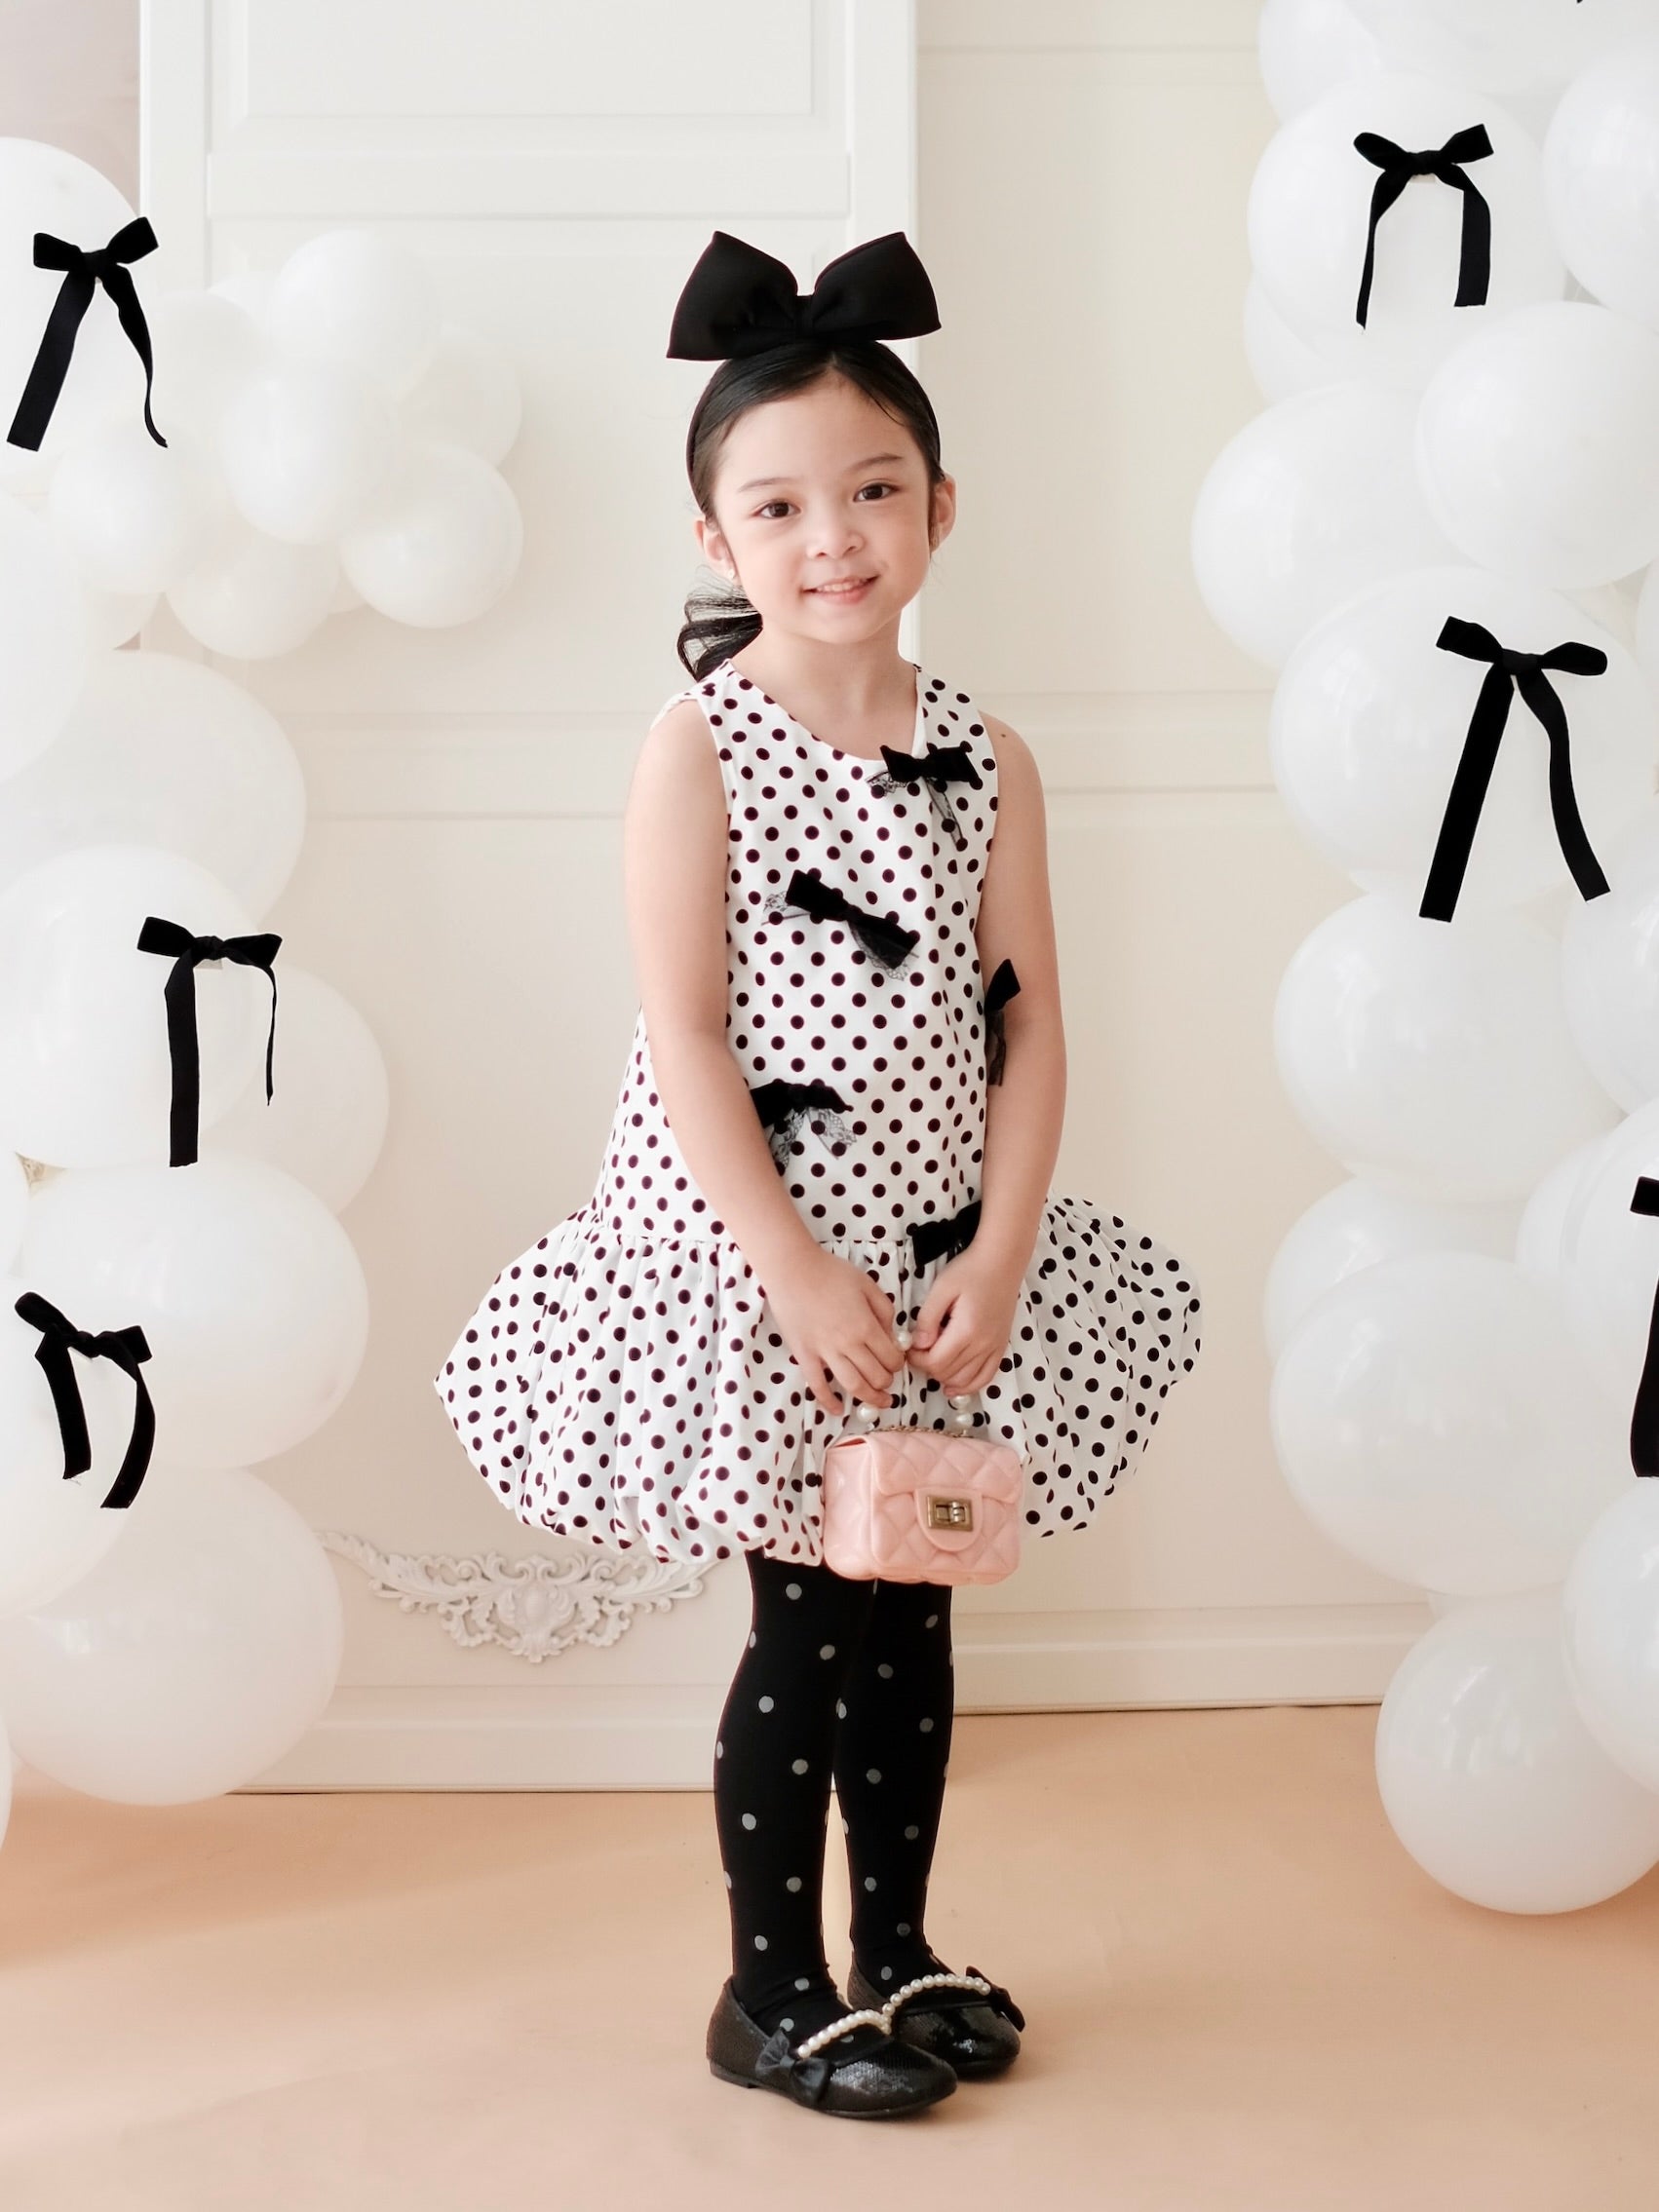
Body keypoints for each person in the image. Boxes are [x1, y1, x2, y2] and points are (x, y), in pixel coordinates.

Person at [435, 229, 1204, 2121]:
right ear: (716, 538)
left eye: (869, 490)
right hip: (766, 1269)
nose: (831, 537)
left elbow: (1032, 1019)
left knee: (913, 1599)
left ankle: (898, 1948)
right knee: (805, 1618)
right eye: (776, 506)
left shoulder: (987, 756)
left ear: (939, 505)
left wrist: (1002, 1251)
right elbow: (687, 1034)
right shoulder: (698, 747)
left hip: (937, 1276)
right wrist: (789, 1268)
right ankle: (766, 1988)